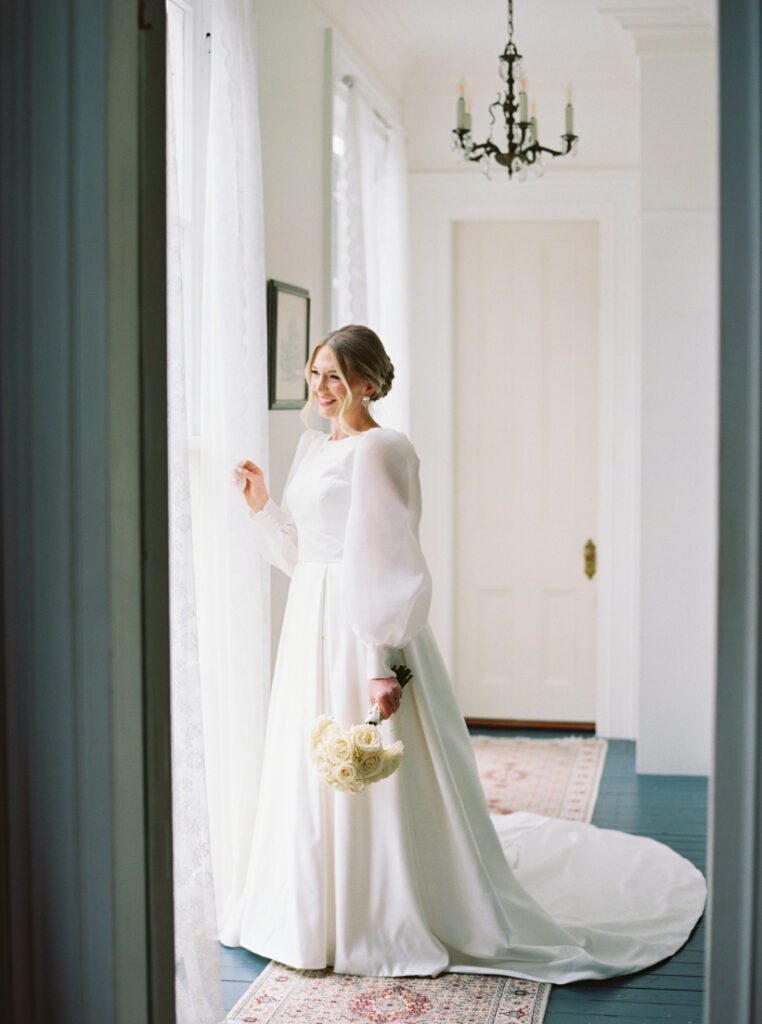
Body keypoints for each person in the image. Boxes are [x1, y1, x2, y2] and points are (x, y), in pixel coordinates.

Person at [222, 324, 705, 982]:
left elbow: (384, 560)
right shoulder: (311, 450)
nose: (322, 387)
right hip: (310, 627)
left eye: (336, 375)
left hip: (361, 628)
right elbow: (301, 556)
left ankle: (382, 911)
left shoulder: (382, 450)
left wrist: (378, 663)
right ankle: (311, 912)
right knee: (312, 770)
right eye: (315, 373)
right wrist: (261, 508)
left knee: (375, 770)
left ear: (368, 383)